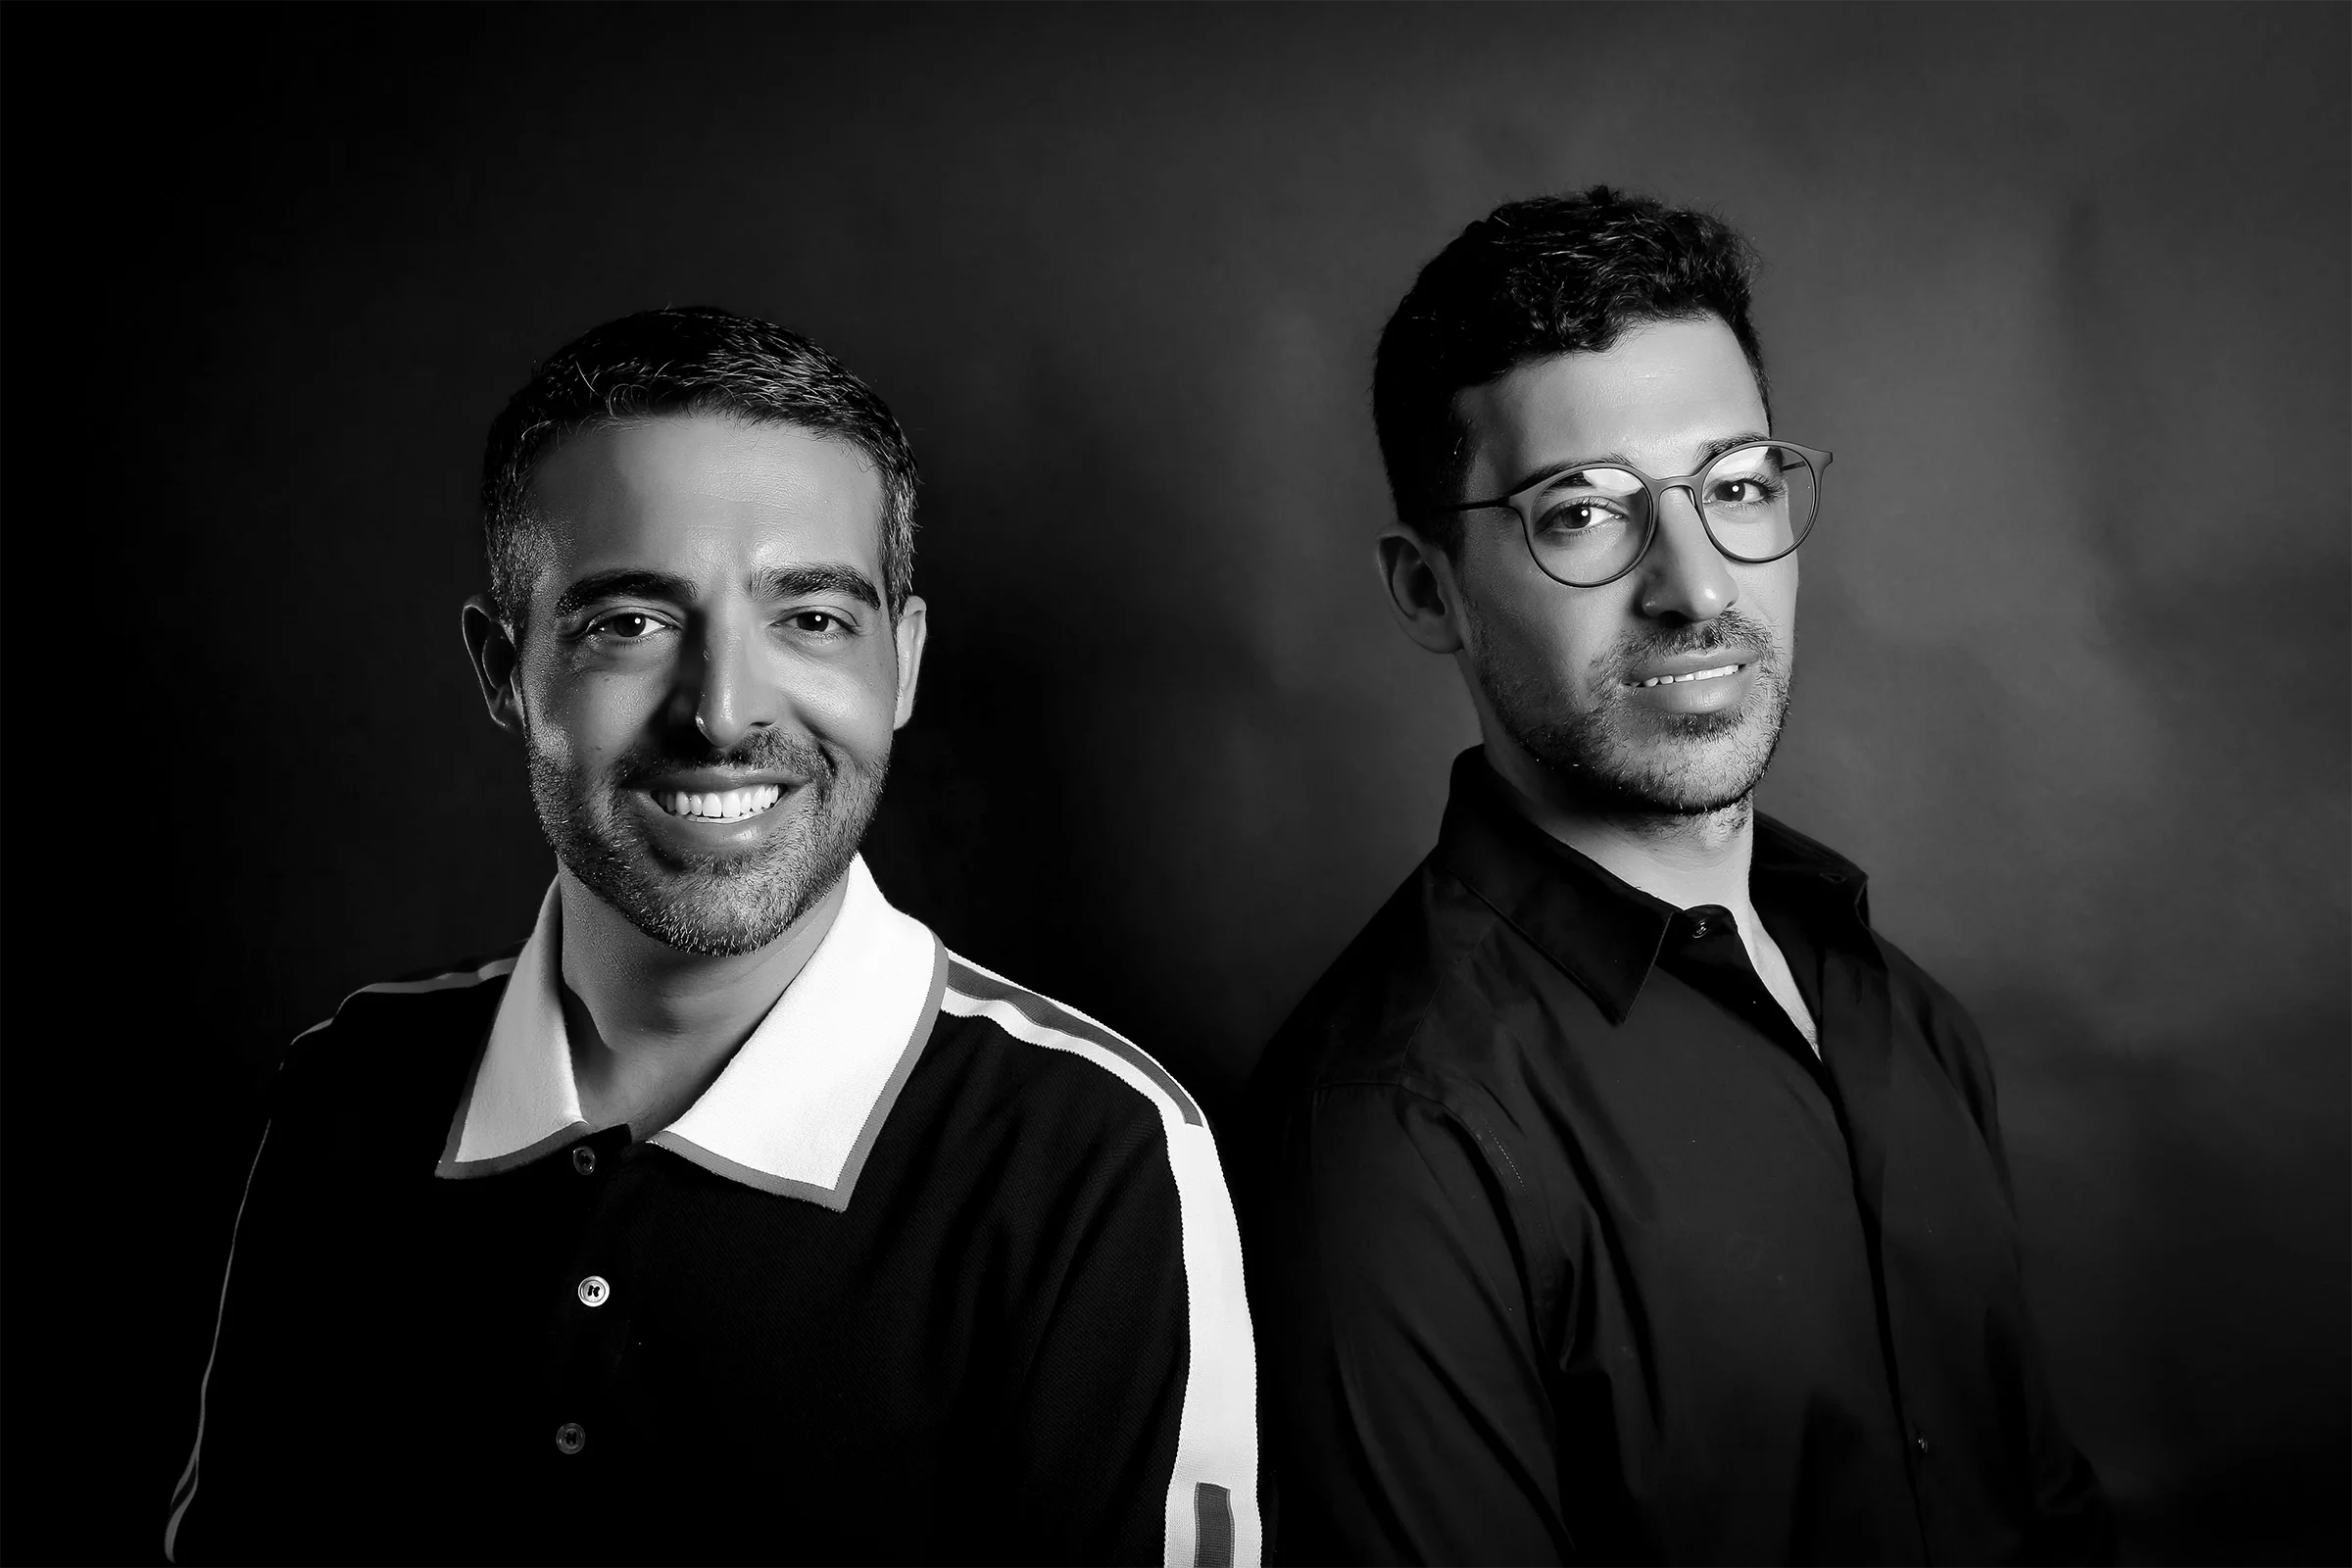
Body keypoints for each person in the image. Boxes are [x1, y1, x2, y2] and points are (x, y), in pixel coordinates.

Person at [167, 307, 1258, 1566]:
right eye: (629, 622)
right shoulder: (351, 1091)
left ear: (899, 664)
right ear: (502, 668)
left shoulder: (1092, 1149)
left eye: (812, 619)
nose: (725, 713)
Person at [1243, 189, 2111, 1565]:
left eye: (1740, 486)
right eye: (1582, 513)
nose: (1698, 584)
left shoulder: (1904, 1019)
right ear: (1428, 591)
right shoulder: (1392, 1139)